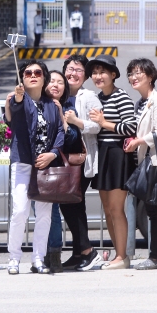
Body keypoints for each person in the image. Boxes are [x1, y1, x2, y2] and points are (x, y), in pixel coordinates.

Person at [6, 60, 64, 275]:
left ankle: (38, 259)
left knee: (44, 215)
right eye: (27, 72)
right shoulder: (18, 99)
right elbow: (14, 113)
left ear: (43, 77)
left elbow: (59, 132)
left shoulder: (52, 104)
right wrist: (19, 97)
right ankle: (14, 258)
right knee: (20, 211)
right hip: (22, 162)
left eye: (37, 72)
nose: (32, 75)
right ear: (21, 78)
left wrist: (53, 154)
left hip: (45, 166)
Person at [124, 58, 157, 270]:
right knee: (154, 211)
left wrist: (138, 141)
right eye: (131, 73)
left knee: (155, 211)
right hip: (147, 161)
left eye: (139, 73)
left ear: (151, 76)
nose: (134, 77)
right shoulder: (141, 102)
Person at [88, 54, 137, 270]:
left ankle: (122, 256)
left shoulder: (121, 96)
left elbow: (130, 127)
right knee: (107, 209)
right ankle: (118, 254)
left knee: (117, 209)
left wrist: (103, 122)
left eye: (102, 72)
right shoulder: (98, 98)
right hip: (103, 155)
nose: (98, 76)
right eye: (95, 73)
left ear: (113, 75)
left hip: (118, 154)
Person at [59, 54, 103, 271]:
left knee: (72, 202)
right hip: (63, 159)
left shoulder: (89, 97)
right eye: (69, 68)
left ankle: (87, 251)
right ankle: (79, 252)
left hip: (82, 159)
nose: (72, 73)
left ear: (85, 75)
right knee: (69, 203)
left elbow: (97, 125)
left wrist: (76, 122)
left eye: (78, 70)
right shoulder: (59, 93)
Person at [43, 70, 81, 273]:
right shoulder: (37, 104)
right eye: (51, 81)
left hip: (57, 167)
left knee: (54, 212)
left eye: (60, 82)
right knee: (38, 212)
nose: (55, 85)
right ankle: (42, 256)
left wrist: (62, 117)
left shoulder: (68, 107)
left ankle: (54, 255)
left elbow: (73, 139)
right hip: (39, 165)